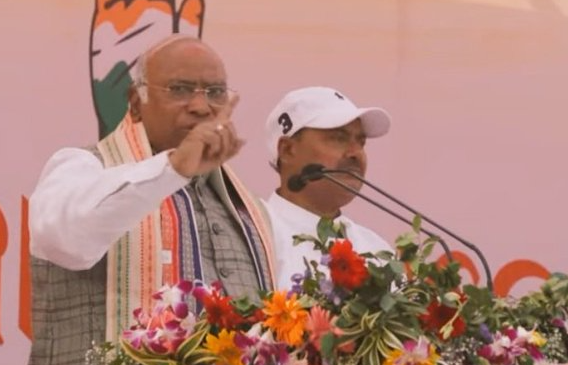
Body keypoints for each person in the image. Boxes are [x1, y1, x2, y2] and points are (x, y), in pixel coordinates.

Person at [28, 35, 276, 365]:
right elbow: (65, 239)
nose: (201, 107)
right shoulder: (82, 167)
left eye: (215, 92)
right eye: (180, 89)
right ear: (134, 102)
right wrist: (172, 169)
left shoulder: (250, 211)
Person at [262, 86, 393, 290]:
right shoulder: (254, 235)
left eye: (361, 142)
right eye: (338, 138)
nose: (356, 153)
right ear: (287, 150)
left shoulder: (376, 249)